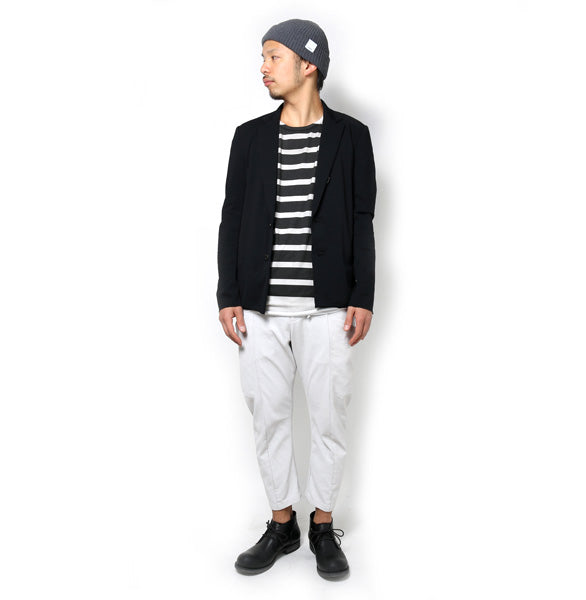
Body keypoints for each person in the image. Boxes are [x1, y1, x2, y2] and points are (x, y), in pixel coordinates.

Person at [216, 18, 377, 580]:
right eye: (263, 57)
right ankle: (282, 523)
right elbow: (232, 216)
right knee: (269, 419)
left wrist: (363, 294)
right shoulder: (249, 137)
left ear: (309, 64)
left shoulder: (351, 136)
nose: (263, 67)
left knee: (330, 418)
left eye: (273, 56)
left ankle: (322, 525)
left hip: (329, 307)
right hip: (258, 310)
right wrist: (228, 293)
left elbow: (362, 217)